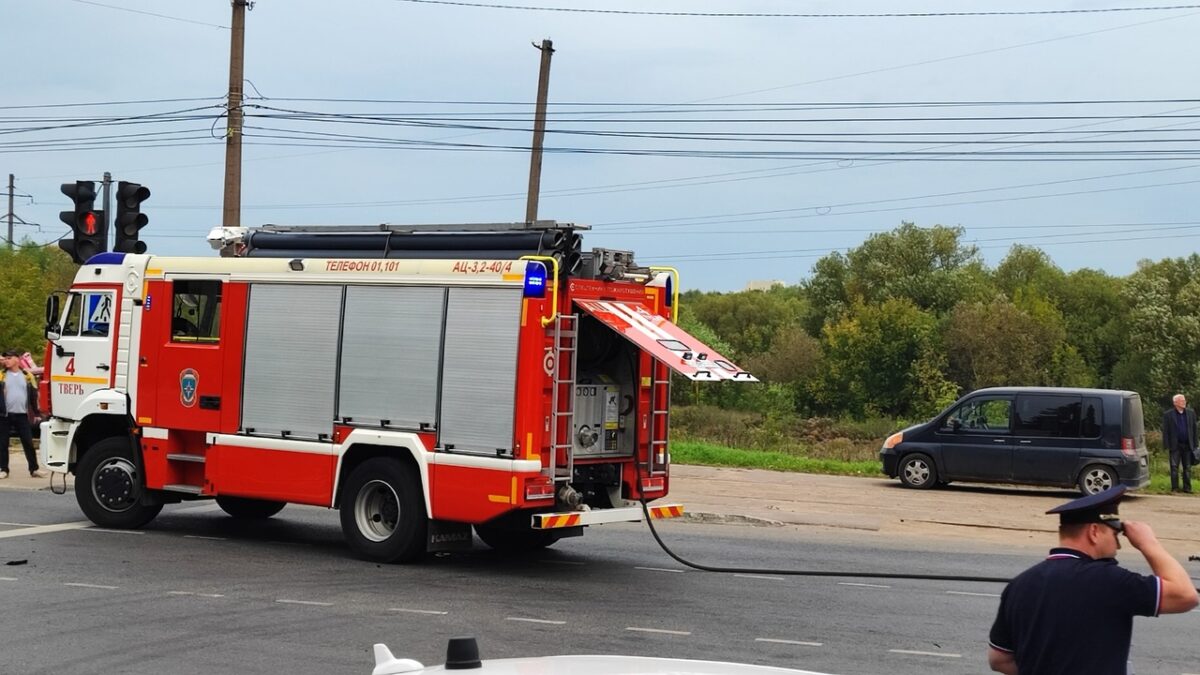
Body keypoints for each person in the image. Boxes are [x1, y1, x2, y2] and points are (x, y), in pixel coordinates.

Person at [987, 486, 1198, 674]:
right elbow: (1186, 595)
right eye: (1115, 535)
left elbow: (999, 660)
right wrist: (1148, 543)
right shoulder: (1110, 581)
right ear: (1094, 532)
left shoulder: (1018, 585)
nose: (1118, 546)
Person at [0, 349, 45, 479]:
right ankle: (3, 469)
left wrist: (36, 412)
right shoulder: (1, 375)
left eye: (9, 358)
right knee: (2, 443)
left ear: (16, 359)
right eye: (5, 359)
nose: (6, 361)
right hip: (4, 415)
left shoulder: (27, 376)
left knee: (28, 442)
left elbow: (33, 395)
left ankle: (34, 469)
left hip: (21, 415)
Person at [1161, 393, 1196, 493]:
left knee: (1187, 467)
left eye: (1184, 400)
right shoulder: (1168, 415)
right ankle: (1175, 488)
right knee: (1174, 467)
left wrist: (1195, 444)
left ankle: (1187, 488)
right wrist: (1166, 445)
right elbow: (1166, 431)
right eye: (1182, 400)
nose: (1184, 402)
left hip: (1187, 445)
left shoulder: (1191, 413)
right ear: (1175, 403)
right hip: (1175, 445)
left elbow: (1194, 429)